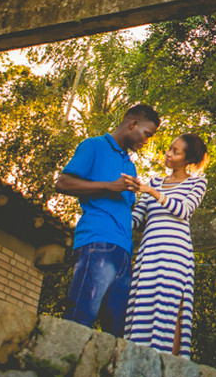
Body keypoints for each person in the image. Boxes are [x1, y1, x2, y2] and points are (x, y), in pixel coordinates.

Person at [55, 103, 160, 335]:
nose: (146, 141)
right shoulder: (94, 146)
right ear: (132, 124)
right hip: (97, 243)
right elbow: (62, 183)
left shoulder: (130, 166)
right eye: (147, 134)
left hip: (124, 253)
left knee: (118, 332)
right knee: (80, 317)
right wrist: (109, 186)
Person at [122, 132, 209, 356]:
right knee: (144, 302)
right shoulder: (154, 182)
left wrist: (152, 192)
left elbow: (184, 210)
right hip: (150, 252)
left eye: (175, 152)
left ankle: (169, 364)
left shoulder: (197, 182)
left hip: (176, 253)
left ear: (188, 159)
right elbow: (136, 220)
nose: (168, 154)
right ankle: (138, 357)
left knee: (170, 306)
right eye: (169, 149)